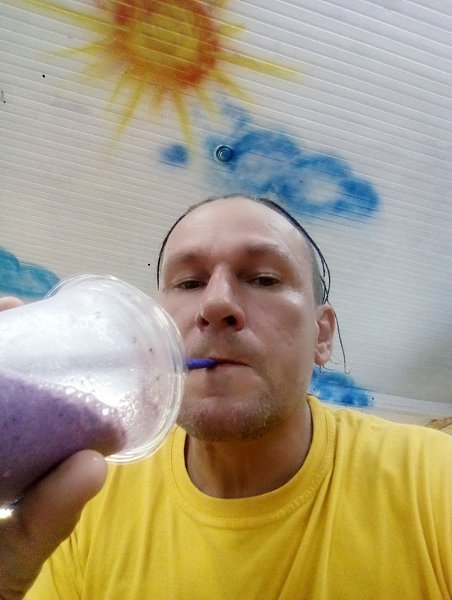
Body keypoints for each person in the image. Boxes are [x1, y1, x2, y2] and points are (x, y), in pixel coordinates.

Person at [0, 194, 450, 599]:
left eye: (264, 279)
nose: (216, 304)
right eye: (189, 283)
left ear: (322, 334)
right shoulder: (76, 498)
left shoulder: (432, 476)